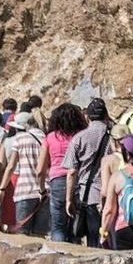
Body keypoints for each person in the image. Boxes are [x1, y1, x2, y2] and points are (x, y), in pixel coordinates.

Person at [64, 99, 114, 247]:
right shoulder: (113, 139)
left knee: (92, 241)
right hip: (110, 194)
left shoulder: (79, 138)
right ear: (106, 115)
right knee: (108, 239)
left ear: (87, 116)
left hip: (87, 195)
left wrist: (69, 199)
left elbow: (72, 172)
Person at [42, 103, 87, 242]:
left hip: (57, 181)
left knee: (58, 227)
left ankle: (58, 252)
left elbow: (40, 168)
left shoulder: (50, 137)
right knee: (75, 227)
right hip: (78, 180)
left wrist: (41, 188)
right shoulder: (80, 136)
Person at [1, 111, 48, 235]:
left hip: (25, 190)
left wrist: (2, 189)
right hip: (45, 191)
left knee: (22, 234)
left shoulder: (20, 138)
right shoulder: (46, 138)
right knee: (40, 234)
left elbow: (11, 166)